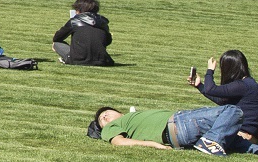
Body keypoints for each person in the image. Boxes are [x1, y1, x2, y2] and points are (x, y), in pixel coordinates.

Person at [89, 103, 244, 152]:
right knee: (232, 110)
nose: (105, 117)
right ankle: (211, 141)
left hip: (184, 127)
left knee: (242, 144)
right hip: (179, 124)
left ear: (119, 112)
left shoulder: (130, 118)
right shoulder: (112, 127)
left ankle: (212, 141)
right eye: (103, 120)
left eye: (107, 113)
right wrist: (154, 145)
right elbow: (119, 142)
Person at [193, 50, 258, 151]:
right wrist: (199, 86)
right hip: (246, 135)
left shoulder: (242, 85)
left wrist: (210, 71)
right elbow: (222, 101)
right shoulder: (248, 84)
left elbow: (211, 89)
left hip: (240, 135)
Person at [54, 0, 115, 66]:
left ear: (79, 10)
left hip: (78, 59)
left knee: (56, 43)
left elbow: (57, 38)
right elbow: (108, 41)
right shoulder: (103, 23)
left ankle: (69, 58)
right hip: (102, 60)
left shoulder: (74, 21)